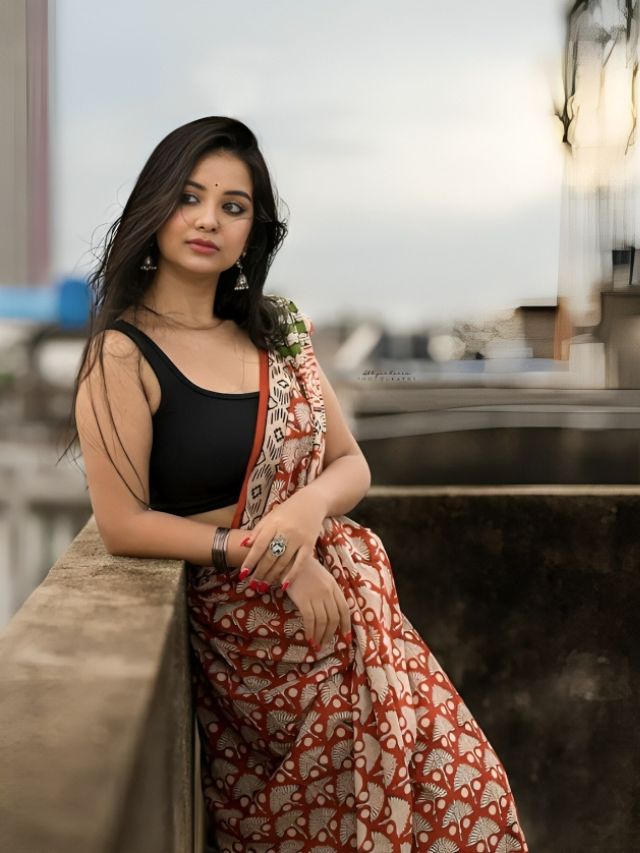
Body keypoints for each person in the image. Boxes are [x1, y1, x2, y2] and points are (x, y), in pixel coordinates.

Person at [66, 116, 530, 852]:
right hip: (253, 654)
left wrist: (308, 511)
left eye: (234, 205)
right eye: (190, 197)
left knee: (466, 799)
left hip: (362, 629)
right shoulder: (120, 356)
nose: (208, 220)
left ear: (253, 231)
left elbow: (352, 464)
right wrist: (268, 551)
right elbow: (123, 523)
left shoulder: (275, 331)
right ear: (153, 207)